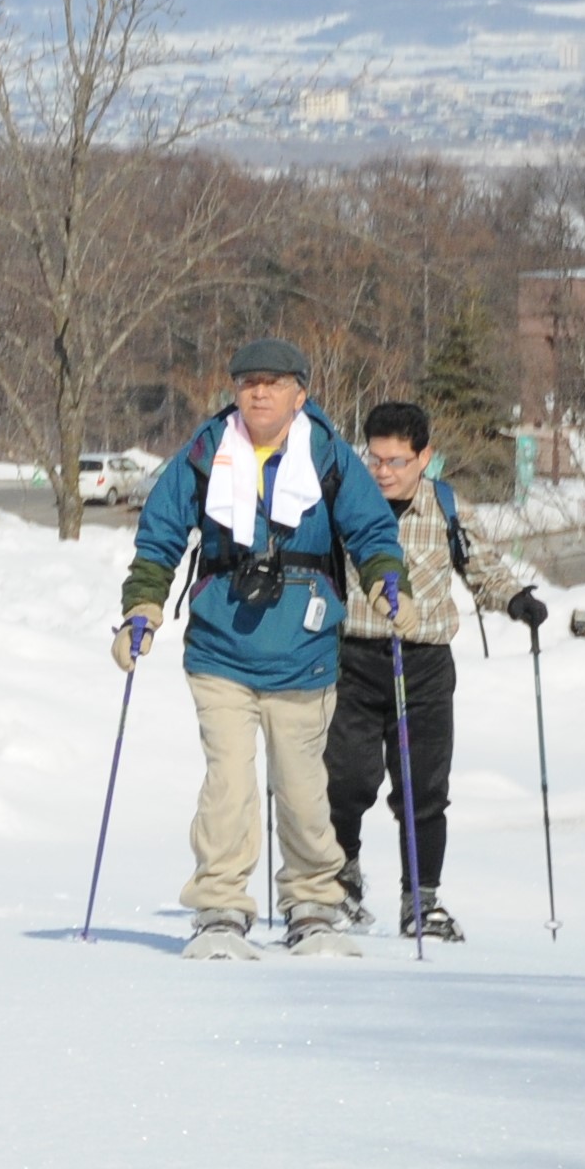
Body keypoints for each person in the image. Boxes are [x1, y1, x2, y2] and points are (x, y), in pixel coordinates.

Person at [116, 337, 406, 961]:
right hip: (220, 649)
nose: (260, 392)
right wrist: (141, 607)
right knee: (228, 785)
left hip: (303, 651)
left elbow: (370, 527)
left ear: (300, 392)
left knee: (303, 788)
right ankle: (220, 908)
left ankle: (312, 905)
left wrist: (385, 578)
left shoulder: (327, 454)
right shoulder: (204, 453)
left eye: (274, 382)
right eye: (249, 383)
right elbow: (160, 534)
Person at [329, 399, 546, 941]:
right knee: (348, 778)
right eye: (374, 458)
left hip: (423, 664)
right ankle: (341, 877)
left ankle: (422, 900)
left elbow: (480, 565)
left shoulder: (446, 507)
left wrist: (516, 599)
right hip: (352, 658)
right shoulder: (345, 505)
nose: (383, 471)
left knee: (422, 788)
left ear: (424, 457)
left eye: (397, 461)